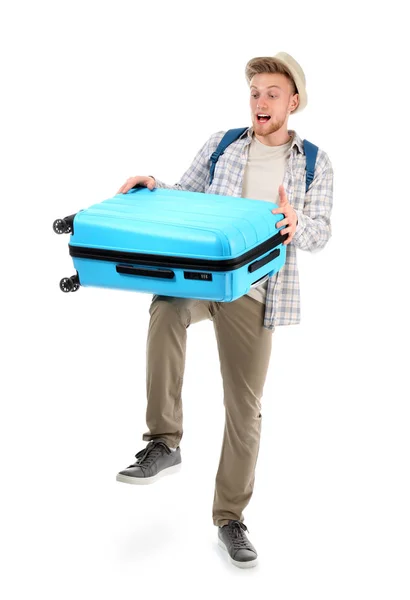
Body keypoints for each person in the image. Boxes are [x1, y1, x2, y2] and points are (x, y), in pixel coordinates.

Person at [114, 52, 334, 569]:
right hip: (203, 278)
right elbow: (184, 194)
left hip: (258, 292)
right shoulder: (222, 144)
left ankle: (230, 518)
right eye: (255, 92)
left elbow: (322, 230)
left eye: (272, 93)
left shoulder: (312, 162)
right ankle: (164, 441)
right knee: (165, 308)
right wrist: (152, 186)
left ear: (293, 102)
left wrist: (294, 220)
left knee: (244, 411)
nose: (260, 101)